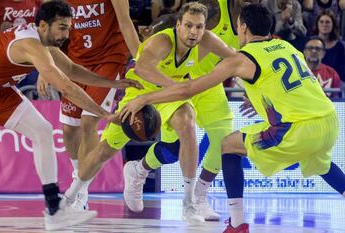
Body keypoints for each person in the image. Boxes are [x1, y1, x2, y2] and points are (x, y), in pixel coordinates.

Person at [119, 4, 345, 233]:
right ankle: (189, 193)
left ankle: (236, 224)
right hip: (328, 120)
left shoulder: (240, 59)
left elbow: (188, 89)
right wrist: (265, 98)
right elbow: (306, 84)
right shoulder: (287, 46)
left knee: (228, 145)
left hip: (297, 127)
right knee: (322, 165)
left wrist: (145, 99)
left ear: (243, 27)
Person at [0, 1, 140, 231]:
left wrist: (112, 83)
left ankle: (54, 209)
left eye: (68, 27)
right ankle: (57, 207)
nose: (66, 34)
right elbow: (67, 86)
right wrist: (104, 114)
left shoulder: (45, 43)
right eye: (61, 27)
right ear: (43, 25)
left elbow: (70, 70)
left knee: (42, 131)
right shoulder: (30, 45)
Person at [63, 2, 235, 223]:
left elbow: (235, 58)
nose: (194, 32)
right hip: (140, 92)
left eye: (199, 27)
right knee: (103, 152)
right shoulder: (162, 41)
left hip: (168, 96)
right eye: (189, 26)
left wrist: (253, 85)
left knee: (187, 122)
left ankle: (189, 204)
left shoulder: (206, 39)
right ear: (179, 24)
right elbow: (142, 68)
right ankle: (72, 195)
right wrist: (173, 85)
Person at [123, 0, 260, 221]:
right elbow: (176, 21)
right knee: (172, 149)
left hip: (208, 84)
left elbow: (238, 60)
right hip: (177, 83)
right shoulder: (213, 8)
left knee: (224, 141)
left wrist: (255, 93)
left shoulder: (253, 20)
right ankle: (139, 169)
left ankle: (197, 199)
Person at [37, 0, 140, 211]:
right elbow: (49, 30)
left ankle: (80, 191)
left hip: (109, 60)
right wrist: (43, 67)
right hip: (76, 62)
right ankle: (79, 175)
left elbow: (126, 23)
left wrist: (142, 60)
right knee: (68, 129)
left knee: (88, 122)